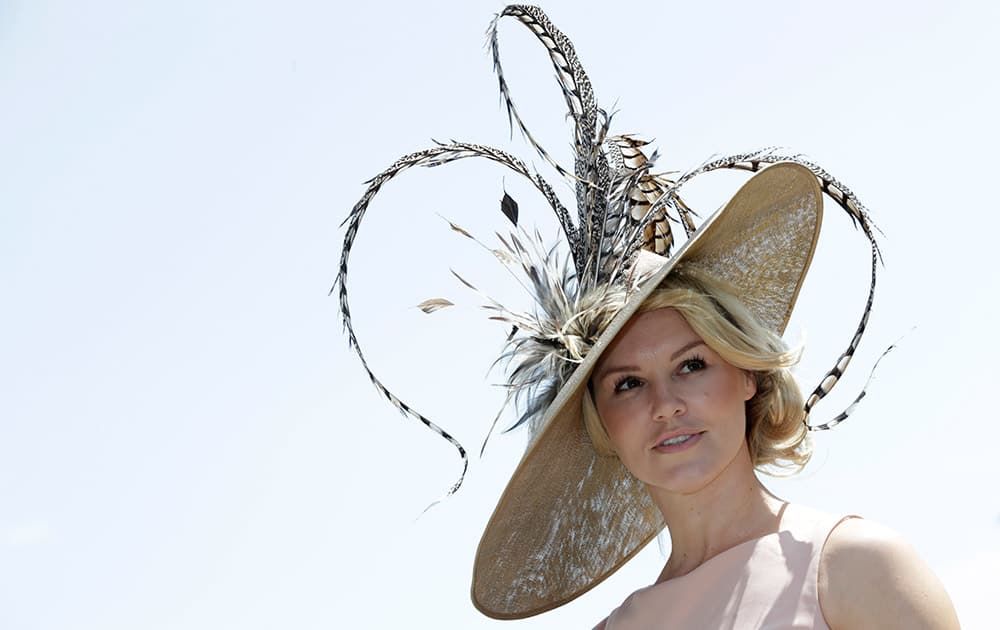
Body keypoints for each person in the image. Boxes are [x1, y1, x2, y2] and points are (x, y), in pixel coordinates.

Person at [336, 5, 960, 628]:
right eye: (627, 383)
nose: (666, 405)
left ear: (747, 374)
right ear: (601, 423)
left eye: (691, 365)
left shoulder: (853, 567)